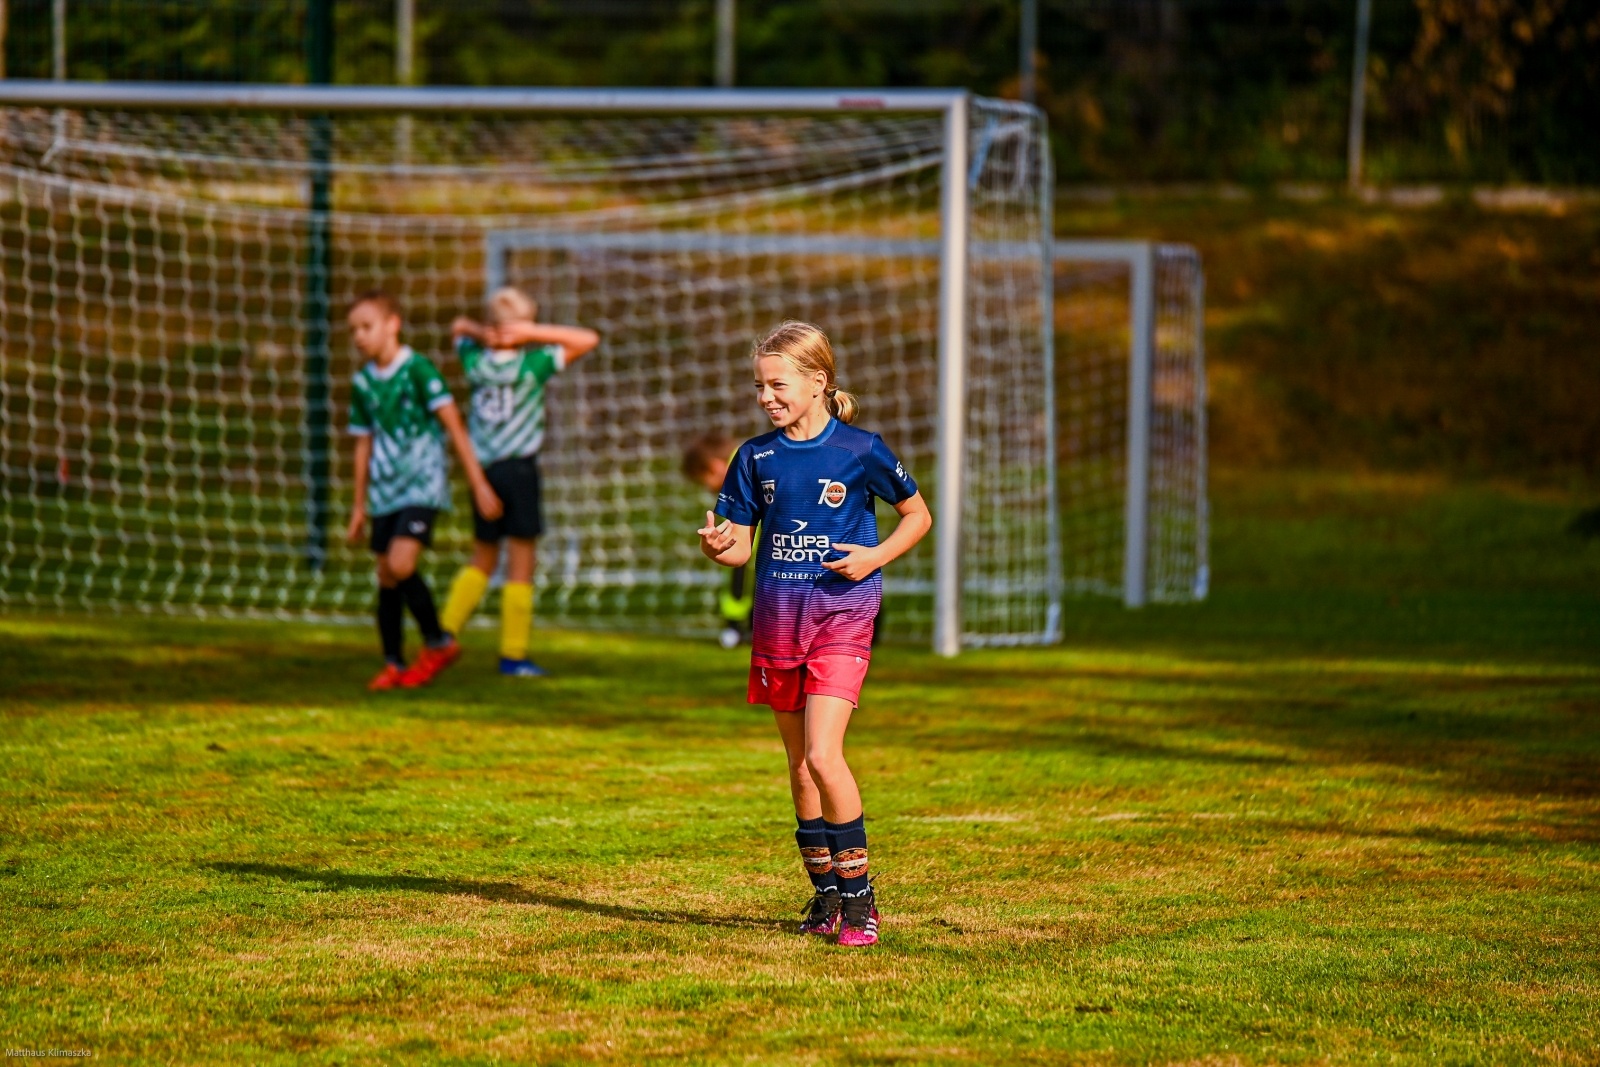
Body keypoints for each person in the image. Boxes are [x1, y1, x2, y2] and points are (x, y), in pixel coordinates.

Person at [697, 320, 931, 947]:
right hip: (778, 621)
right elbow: (740, 548)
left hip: (842, 617)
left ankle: (859, 903)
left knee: (825, 756)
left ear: (818, 382)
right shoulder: (754, 458)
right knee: (800, 767)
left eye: (778, 385)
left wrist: (874, 556)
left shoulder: (860, 450)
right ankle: (825, 895)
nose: (766, 397)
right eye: (759, 386)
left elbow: (917, 514)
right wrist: (718, 546)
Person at [344, 289, 502, 691]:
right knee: (386, 575)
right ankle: (393, 663)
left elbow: (454, 425)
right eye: (354, 330)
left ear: (392, 325)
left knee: (401, 565)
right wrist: (359, 505)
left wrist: (478, 482)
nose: (359, 336)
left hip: (422, 485)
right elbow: (362, 444)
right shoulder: (362, 383)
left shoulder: (418, 369)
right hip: (385, 490)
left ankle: (438, 642)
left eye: (367, 326)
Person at [437, 287, 600, 676]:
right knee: (521, 563)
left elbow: (458, 327)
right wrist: (534, 332)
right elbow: (588, 339)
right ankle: (513, 655)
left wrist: (482, 332)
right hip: (520, 472)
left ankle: (441, 636)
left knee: (482, 557)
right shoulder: (533, 365)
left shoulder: (474, 362)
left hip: (484, 473)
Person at [681, 432, 754, 649]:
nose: (707, 488)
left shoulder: (739, 473)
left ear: (714, 467)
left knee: (736, 557)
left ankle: (736, 625)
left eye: (704, 481)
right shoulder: (753, 458)